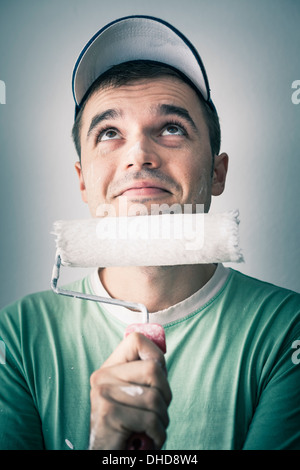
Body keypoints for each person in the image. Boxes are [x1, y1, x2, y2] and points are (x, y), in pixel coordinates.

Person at [0, 15, 299, 451]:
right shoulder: (16, 337)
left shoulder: (287, 331)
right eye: (109, 133)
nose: (138, 155)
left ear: (217, 174)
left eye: (172, 128)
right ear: (83, 180)